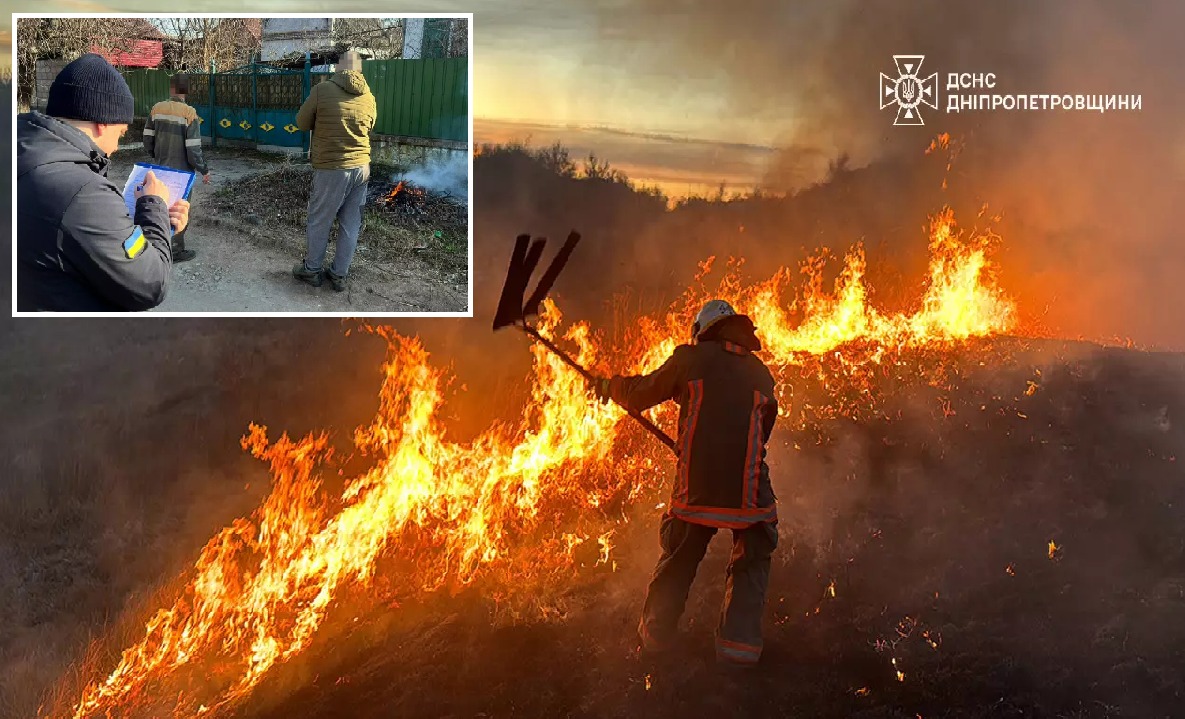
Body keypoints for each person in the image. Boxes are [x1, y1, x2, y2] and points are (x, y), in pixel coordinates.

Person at [593, 300, 780, 667]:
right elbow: (762, 433)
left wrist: (608, 386)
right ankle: (738, 652)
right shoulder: (762, 374)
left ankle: (656, 638)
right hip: (749, 492)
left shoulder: (689, 359)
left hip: (698, 490)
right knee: (755, 550)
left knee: (680, 554)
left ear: (701, 331)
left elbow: (642, 392)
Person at [16, 53, 190, 312]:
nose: (118, 146)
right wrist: (154, 206)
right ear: (103, 122)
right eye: (120, 133)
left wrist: (157, 224)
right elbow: (150, 284)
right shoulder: (82, 193)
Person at [292, 50, 377, 292]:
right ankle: (339, 275)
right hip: (362, 167)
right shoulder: (369, 96)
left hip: (332, 168)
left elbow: (301, 122)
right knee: (351, 223)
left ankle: (312, 270)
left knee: (320, 220)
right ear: (359, 69)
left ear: (339, 67)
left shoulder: (322, 90)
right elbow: (370, 126)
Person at [143, 72, 210, 263]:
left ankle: (158, 243)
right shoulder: (190, 114)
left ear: (172, 88)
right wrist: (204, 169)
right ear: (186, 90)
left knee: (161, 206)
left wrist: (156, 156)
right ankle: (176, 250)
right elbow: (193, 150)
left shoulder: (156, 109)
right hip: (183, 172)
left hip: (161, 168)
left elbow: (147, 140)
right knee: (179, 209)